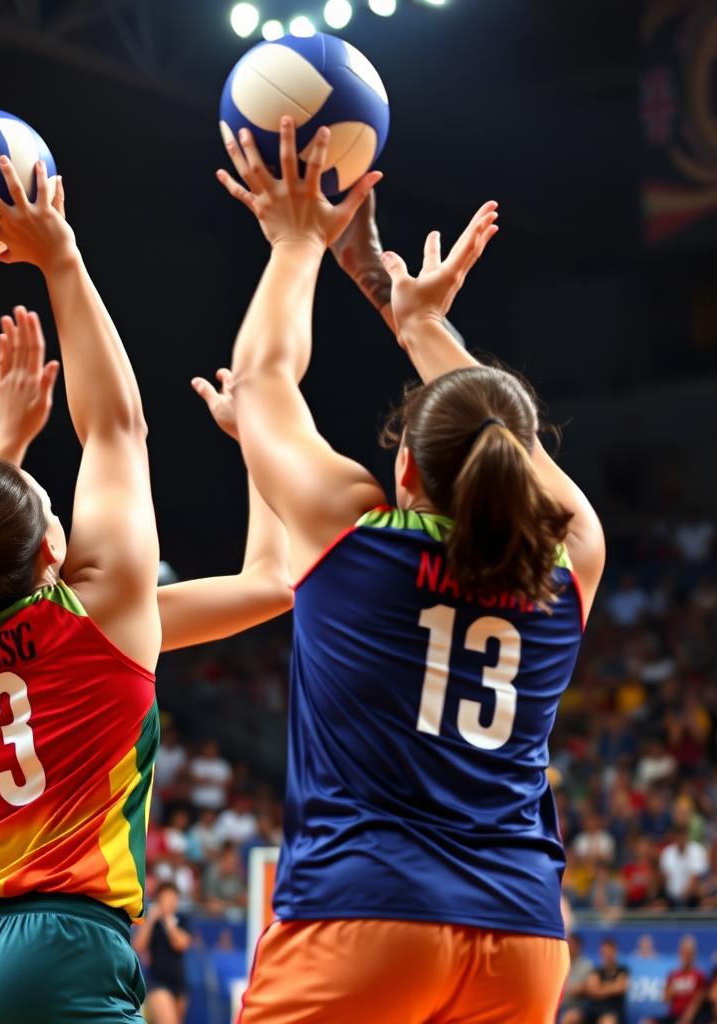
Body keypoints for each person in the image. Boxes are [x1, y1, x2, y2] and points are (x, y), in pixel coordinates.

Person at [0, 156, 292, 1024]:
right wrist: (62, 256)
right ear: (53, 549)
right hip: (53, 947)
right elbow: (117, 427)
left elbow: (267, 585)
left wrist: (5, 446)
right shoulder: (104, 620)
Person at [216, 117, 605, 1023]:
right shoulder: (569, 563)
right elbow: (508, 441)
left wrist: (295, 239)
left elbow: (263, 379)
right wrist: (424, 325)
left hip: (363, 918)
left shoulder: (352, 534)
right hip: (521, 936)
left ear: (403, 471)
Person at [132, 882, 193, 1024]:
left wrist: (167, 919)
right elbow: (138, 947)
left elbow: (180, 944)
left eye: (173, 899)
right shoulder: (152, 923)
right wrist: (152, 919)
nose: (170, 903)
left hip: (179, 984)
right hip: (157, 982)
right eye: (166, 899)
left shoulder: (182, 920)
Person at [644, 935, 708, 1024]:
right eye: (683, 953)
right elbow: (665, 999)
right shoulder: (673, 975)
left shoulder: (699, 975)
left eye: (688, 953)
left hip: (693, 1017)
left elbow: (698, 1001)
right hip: (674, 1015)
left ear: (693, 954)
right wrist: (672, 991)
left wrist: (687, 1018)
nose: (686, 956)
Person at [565, 937, 628, 1024]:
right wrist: (612, 987)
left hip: (612, 1011)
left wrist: (600, 988)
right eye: (604, 952)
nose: (606, 955)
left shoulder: (623, 970)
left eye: (609, 952)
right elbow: (593, 991)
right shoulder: (596, 971)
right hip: (591, 1009)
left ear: (614, 951)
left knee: (606, 1022)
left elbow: (621, 987)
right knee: (570, 1017)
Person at [559, 934, 595, 1023]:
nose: (569, 946)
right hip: (559, 1005)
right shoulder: (560, 963)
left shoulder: (587, 965)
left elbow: (585, 988)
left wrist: (565, 990)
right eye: (567, 943)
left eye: (571, 943)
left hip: (578, 1006)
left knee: (570, 1018)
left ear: (579, 946)